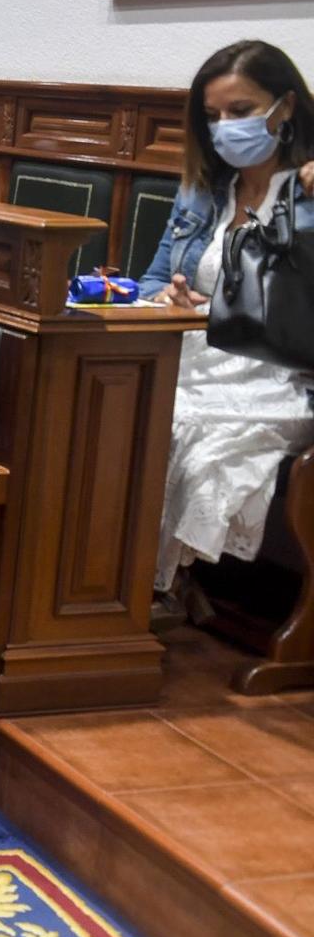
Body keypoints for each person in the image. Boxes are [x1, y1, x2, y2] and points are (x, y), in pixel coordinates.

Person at [139, 41, 314, 616]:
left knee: (183, 425)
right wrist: (167, 296)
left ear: (284, 106)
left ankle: (154, 585)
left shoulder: (309, 190)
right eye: (213, 117)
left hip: (280, 372)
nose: (225, 129)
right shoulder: (203, 190)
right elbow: (153, 281)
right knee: (121, 409)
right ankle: (123, 585)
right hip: (196, 349)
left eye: (241, 111)